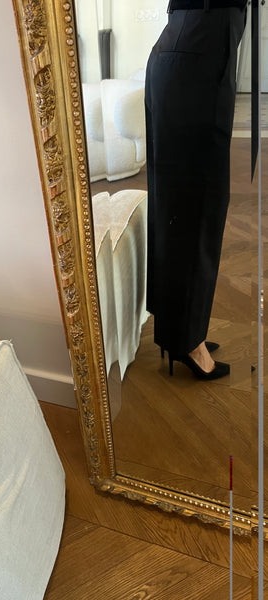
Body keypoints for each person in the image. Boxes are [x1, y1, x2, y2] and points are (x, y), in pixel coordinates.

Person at [145, 0, 247, 379]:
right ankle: (187, 339)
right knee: (200, 204)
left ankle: (178, 331)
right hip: (200, 52)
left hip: (180, 48)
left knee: (175, 202)